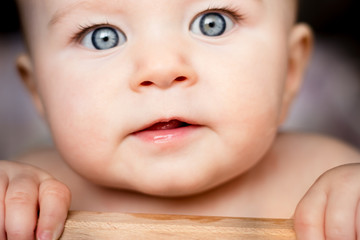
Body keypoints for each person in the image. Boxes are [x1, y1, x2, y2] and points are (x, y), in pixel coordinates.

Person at [1, 0, 359, 239]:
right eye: (101, 37)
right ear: (39, 92)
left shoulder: (330, 177)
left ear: (291, 70)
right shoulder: (27, 198)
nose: (161, 69)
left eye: (212, 23)